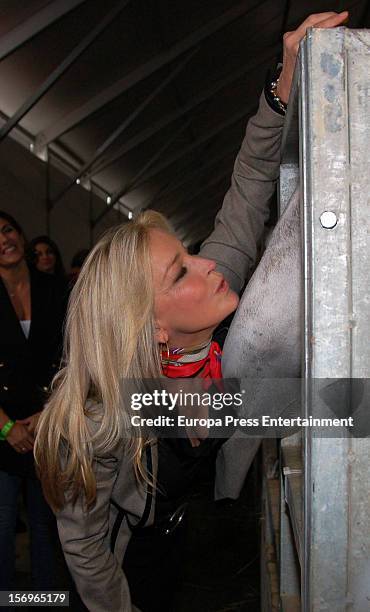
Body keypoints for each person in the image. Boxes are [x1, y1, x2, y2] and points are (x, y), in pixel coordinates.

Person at [34, 12, 348, 612]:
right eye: (181, 270)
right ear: (149, 327)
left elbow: (251, 181)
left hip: (190, 538)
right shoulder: (101, 422)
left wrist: (282, 86)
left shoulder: (210, 329)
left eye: (188, 253)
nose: (209, 265)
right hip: (124, 567)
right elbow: (86, 551)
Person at [0, 211, 67, 592]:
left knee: (46, 525)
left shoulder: (53, 289)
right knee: (3, 523)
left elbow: (73, 357)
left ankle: (43, 600)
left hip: (48, 422)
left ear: (21, 234)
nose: (3, 240)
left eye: (8, 229)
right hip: (3, 429)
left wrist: (50, 414)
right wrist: (7, 427)